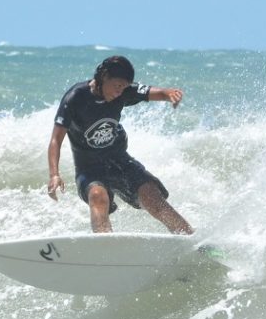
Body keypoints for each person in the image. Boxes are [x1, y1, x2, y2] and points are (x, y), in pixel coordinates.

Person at [47, 56, 194, 235]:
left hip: (120, 160)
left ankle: (189, 237)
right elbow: (56, 139)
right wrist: (54, 174)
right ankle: (105, 244)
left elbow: (157, 93)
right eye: (117, 86)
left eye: (124, 87)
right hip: (89, 167)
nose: (120, 92)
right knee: (97, 196)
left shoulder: (123, 91)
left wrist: (168, 94)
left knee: (151, 195)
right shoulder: (76, 97)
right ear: (104, 76)